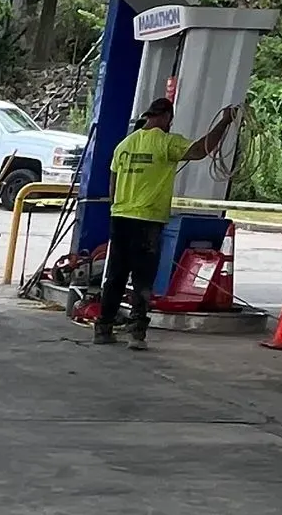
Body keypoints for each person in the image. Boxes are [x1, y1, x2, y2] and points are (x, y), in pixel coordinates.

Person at [96, 96, 239, 347]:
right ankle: (136, 334)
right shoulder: (165, 143)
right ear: (166, 118)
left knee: (115, 276)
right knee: (143, 278)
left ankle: (103, 328)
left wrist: (118, 210)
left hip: (120, 218)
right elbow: (200, 150)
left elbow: (112, 185)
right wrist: (224, 122)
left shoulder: (124, 145)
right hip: (148, 220)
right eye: (170, 120)